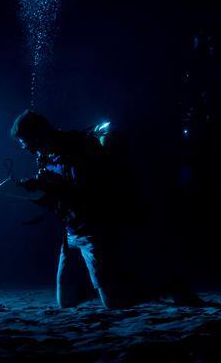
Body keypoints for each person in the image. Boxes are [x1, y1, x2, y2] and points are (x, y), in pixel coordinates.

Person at [10, 110, 136, 310]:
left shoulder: (79, 147)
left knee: (115, 303)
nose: (27, 148)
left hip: (93, 230)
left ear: (40, 133)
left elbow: (95, 190)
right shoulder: (44, 156)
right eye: (24, 144)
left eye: (27, 141)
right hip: (71, 233)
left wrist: (52, 186)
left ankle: (161, 286)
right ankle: (108, 283)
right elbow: (54, 198)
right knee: (67, 301)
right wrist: (35, 190)